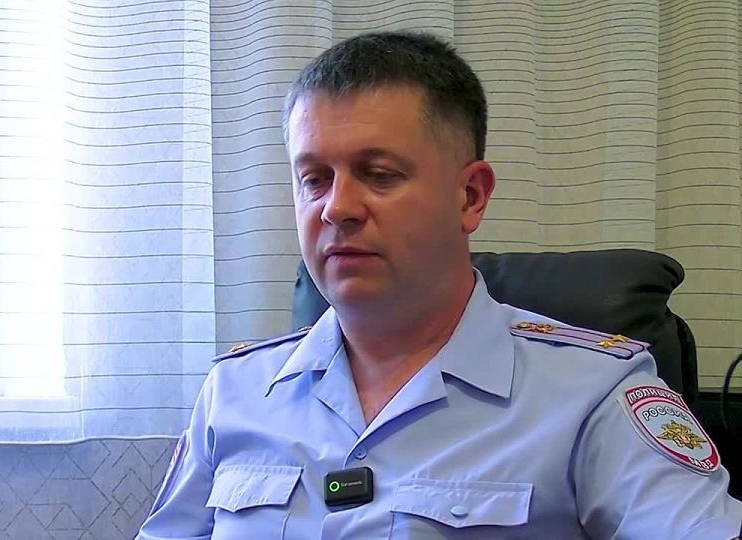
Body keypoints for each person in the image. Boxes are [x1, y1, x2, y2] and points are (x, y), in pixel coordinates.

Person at [136, 31, 742, 539]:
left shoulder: (593, 393)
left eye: (379, 174)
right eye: (314, 179)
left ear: (469, 196)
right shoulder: (234, 392)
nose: (336, 208)